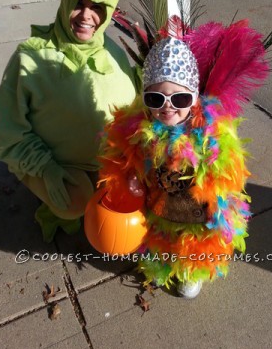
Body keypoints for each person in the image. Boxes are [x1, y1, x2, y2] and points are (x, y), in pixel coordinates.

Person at [97, 33, 263, 298]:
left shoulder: (211, 135)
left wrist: (219, 205)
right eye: (156, 99)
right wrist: (130, 179)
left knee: (190, 251)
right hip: (157, 209)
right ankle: (161, 266)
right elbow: (125, 161)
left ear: (194, 98)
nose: (167, 108)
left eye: (180, 99)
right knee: (160, 242)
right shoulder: (138, 130)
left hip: (196, 219)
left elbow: (226, 176)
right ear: (145, 99)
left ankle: (189, 272)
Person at [0, 0, 138, 242]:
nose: (87, 16)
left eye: (98, 7)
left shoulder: (115, 53)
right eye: (79, 3)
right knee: (72, 205)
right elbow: (9, 130)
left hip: (110, 168)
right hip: (61, 168)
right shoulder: (30, 57)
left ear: (110, 11)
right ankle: (55, 199)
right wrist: (44, 169)